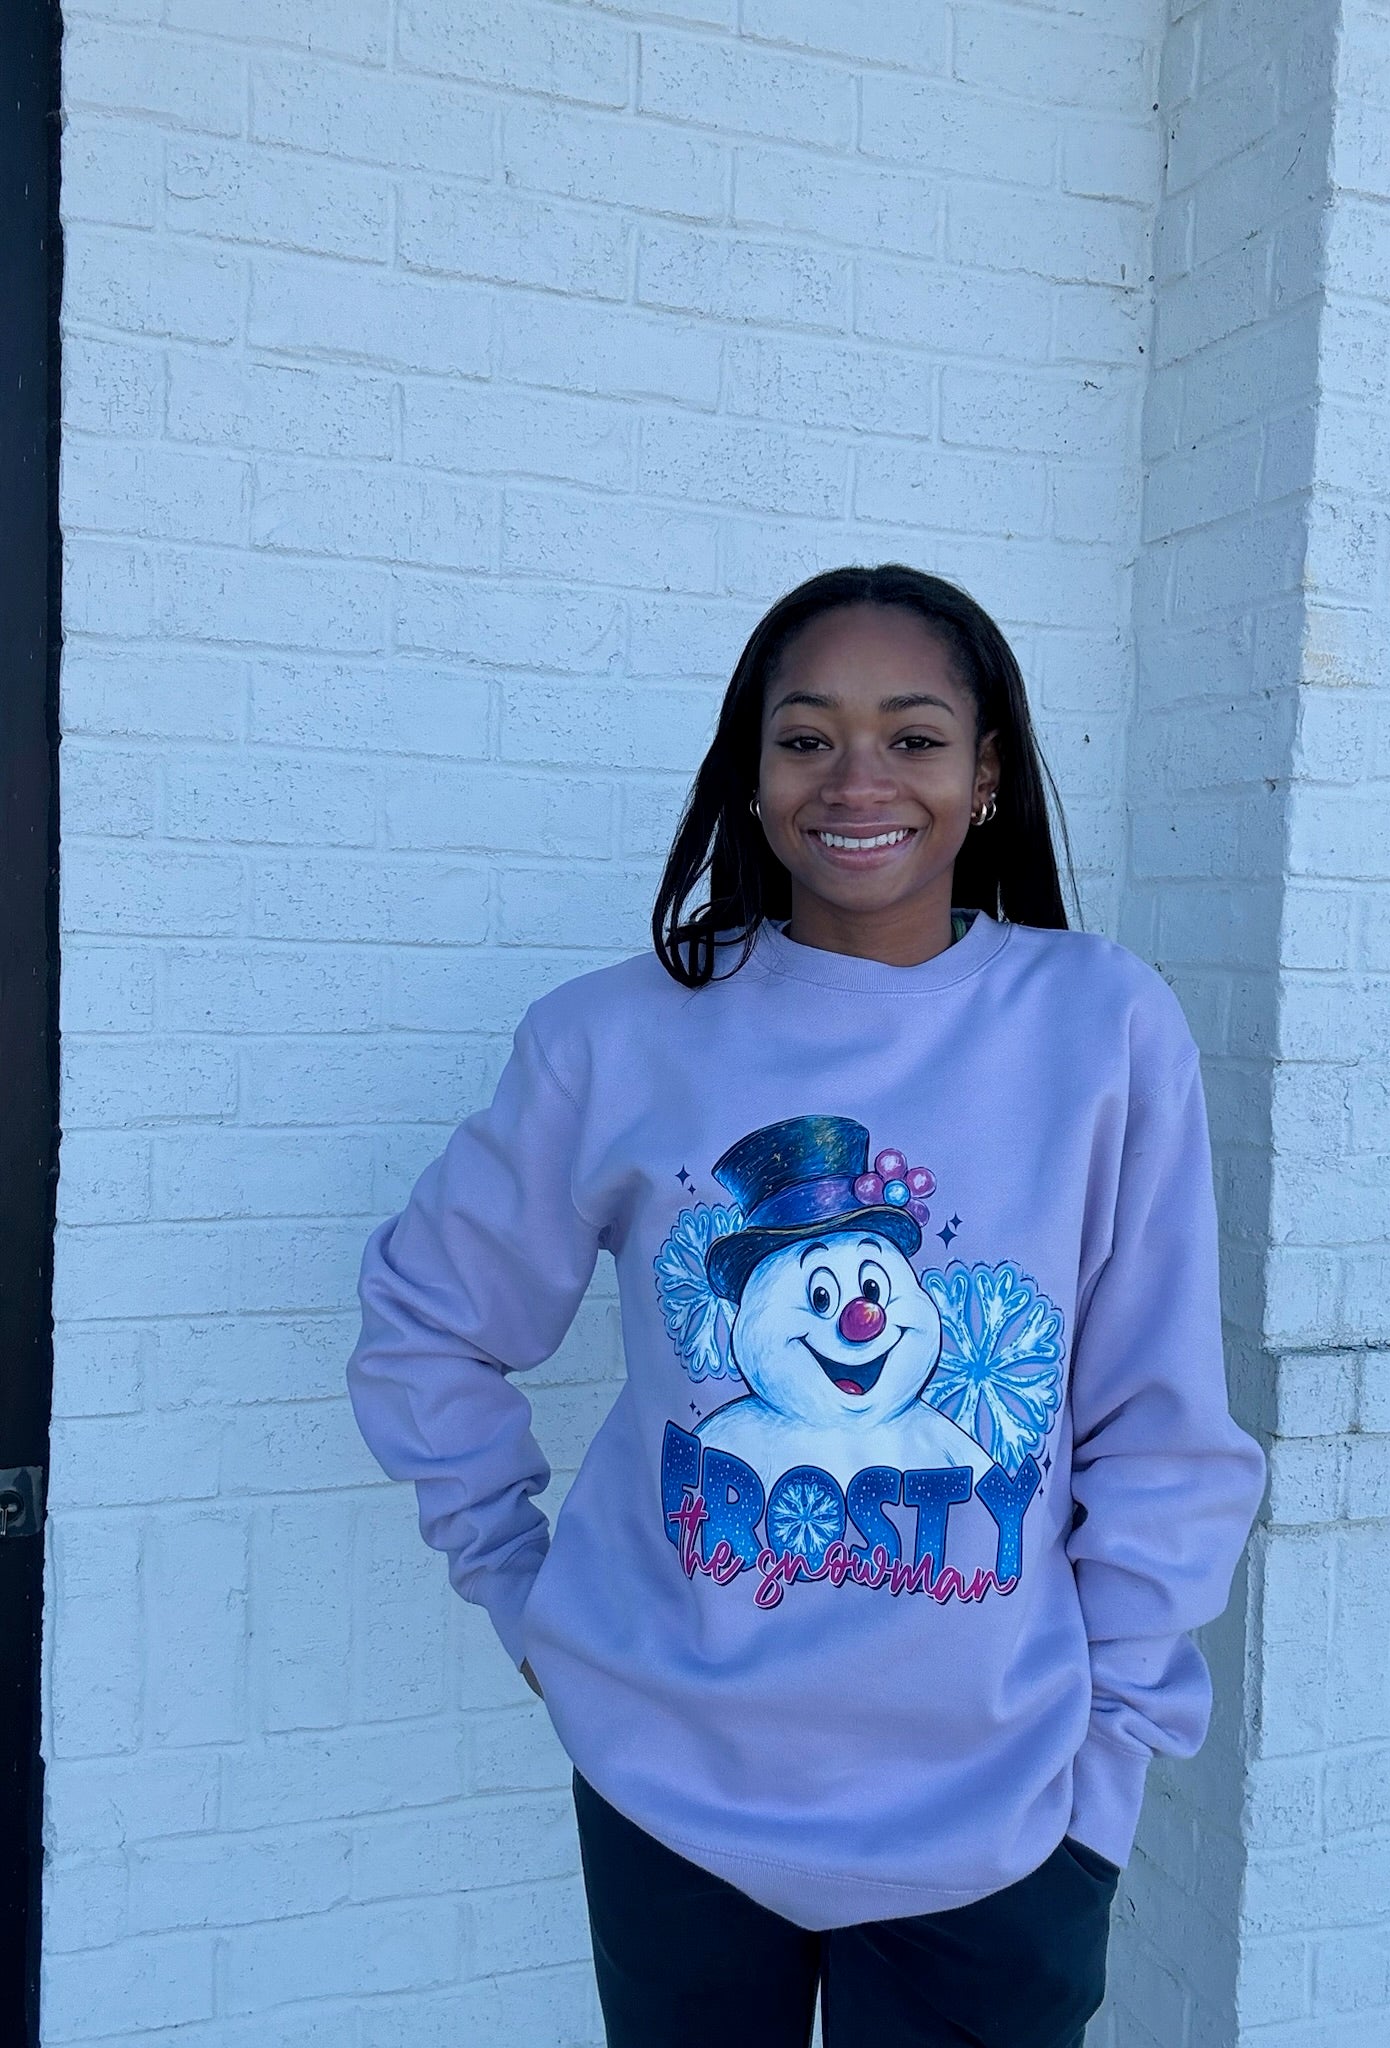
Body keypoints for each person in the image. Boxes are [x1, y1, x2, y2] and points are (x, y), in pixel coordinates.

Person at [345, 563, 1268, 2048]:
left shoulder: (1101, 1026)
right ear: (751, 768)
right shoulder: (612, 1038)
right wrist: (525, 1596)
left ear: (987, 774)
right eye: (806, 737)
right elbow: (428, 1323)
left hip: (1005, 1821)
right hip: (670, 1800)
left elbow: (1157, 1427)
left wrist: (1110, 1759)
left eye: (913, 737)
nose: (856, 780)